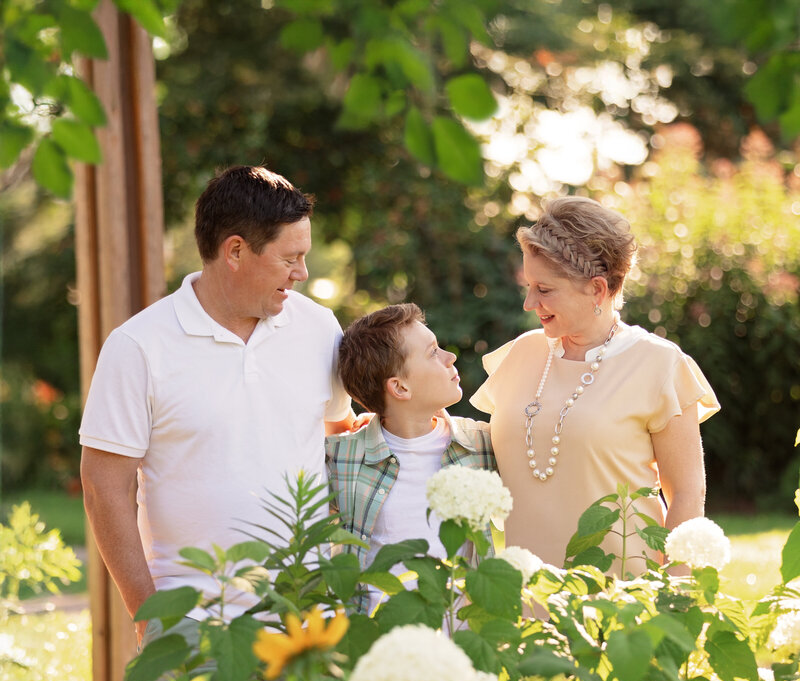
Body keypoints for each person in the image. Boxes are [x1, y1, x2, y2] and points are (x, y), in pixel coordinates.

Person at [80, 166, 353, 641]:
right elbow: (104, 487)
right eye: (291, 258)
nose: (302, 273)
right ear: (235, 251)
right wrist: (152, 618)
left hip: (304, 620)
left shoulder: (320, 329)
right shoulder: (139, 346)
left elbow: (336, 431)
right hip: (193, 622)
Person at [470, 196, 720, 571]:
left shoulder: (660, 364)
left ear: (598, 290)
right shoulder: (519, 355)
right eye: (529, 286)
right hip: (524, 600)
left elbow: (686, 493)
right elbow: (477, 452)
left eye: (544, 289)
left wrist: (676, 596)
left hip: (620, 602)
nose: (528, 303)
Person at [325, 303, 496, 613]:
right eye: (433, 352)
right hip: (379, 642)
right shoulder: (340, 458)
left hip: (462, 644)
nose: (450, 357)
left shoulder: (483, 445)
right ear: (400, 387)